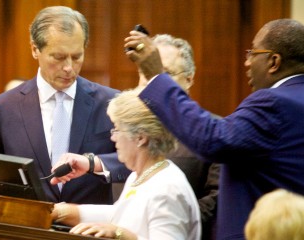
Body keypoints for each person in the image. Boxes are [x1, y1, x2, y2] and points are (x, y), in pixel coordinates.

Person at [124, 18, 304, 240]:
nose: (246, 62)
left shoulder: (274, 103)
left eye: (253, 53)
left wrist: (156, 77)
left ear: (274, 61)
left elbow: (212, 139)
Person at [0, 6, 130, 204]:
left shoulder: (112, 102)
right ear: (35, 49)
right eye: (59, 57)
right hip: (25, 230)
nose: (69, 67)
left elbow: (136, 164)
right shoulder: (2, 109)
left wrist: (93, 163)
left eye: (77, 56)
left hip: (90, 229)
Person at [51, 87, 201, 240]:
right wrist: (61, 212)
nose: (113, 138)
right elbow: (119, 215)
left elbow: (119, 228)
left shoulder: (168, 190)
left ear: (140, 137)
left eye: (117, 129)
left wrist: (119, 234)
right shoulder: (140, 175)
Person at [138, 34, 219, 240]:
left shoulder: (213, 131)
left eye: (164, 74)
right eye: (147, 71)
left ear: (189, 79)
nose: (152, 81)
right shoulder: (123, 129)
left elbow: (216, 199)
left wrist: (163, 224)